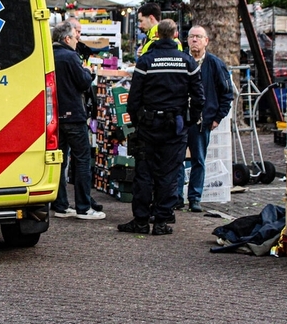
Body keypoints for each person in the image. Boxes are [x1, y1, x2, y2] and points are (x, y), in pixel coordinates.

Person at [118, 19, 204, 236]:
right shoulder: (186, 62)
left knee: (144, 173)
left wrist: (137, 122)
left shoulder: (146, 61)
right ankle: (161, 222)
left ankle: (140, 220)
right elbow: (198, 97)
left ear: (157, 36)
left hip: (148, 125)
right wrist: (189, 120)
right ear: (176, 35)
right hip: (175, 126)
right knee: (168, 174)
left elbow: (134, 97)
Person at [50, 21, 106, 221]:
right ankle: (84, 207)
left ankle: (61, 204)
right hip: (74, 115)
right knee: (82, 160)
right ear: (67, 39)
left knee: (60, 161)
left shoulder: (49, 56)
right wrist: (88, 72)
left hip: (56, 117)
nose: (77, 40)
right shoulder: (70, 56)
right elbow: (83, 81)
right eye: (75, 37)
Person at [176, 25, 233, 213]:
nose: (194, 40)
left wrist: (217, 118)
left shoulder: (215, 64)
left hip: (202, 121)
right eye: (191, 36)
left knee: (198, 160)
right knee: (177, 159)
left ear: (206, 41)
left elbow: (226, 94)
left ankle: (194, 198)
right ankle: (176, 197)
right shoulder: (181, 61)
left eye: (198, 37)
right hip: (180, 119)